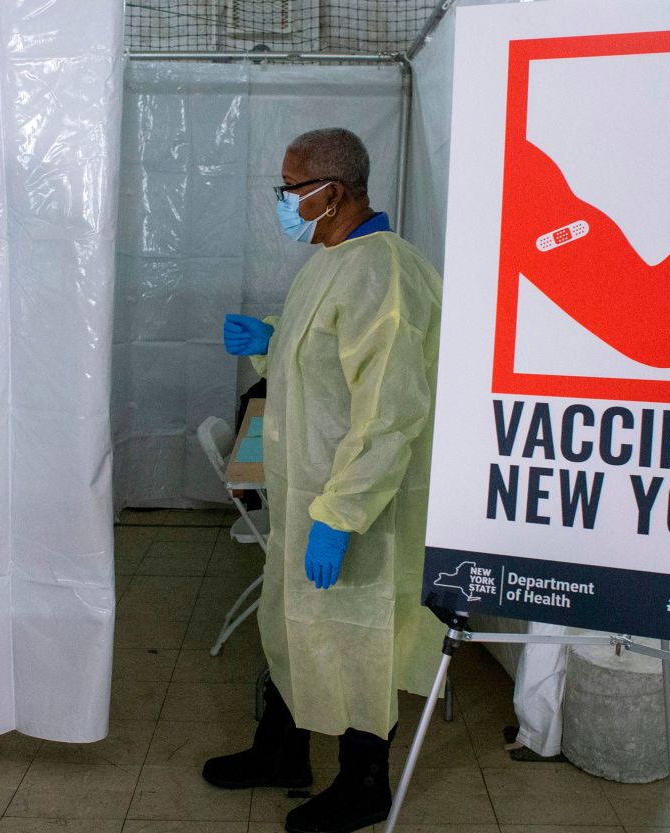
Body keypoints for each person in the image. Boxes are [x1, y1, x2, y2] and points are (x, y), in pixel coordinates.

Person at [207, 128, 448, 833]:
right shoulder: (330, 258)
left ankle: (365, 782)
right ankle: (280, 750)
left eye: (291, 187)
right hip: (303, 488)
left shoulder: (388, 274)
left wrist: (342, 513)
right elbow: (324, 352)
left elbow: (389, 412)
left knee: (358, 637)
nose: (282, 201)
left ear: (333, 192)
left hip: (356, 503)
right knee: (291, 624)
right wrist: (273, 336)